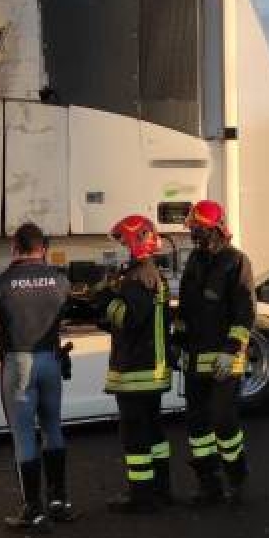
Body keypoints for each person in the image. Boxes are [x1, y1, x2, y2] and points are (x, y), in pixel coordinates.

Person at [0, 222, 74, 534]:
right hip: (52, 360)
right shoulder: (60, 281)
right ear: (41, 249)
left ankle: (33, 510)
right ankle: (59, 502)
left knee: (23, 434)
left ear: (15, 248)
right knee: (52, 427)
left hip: (18, 364)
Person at [177, 199, 256, 506]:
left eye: (198, 229)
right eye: (193, 229)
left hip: (225, 357)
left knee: (223, 420)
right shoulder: (196, 261)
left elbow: (245, 310)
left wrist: (232, 349)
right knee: (197, 424)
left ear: (216, 230)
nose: (194, 234)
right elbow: (185, 306)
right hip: (196, 356)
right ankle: (208, 483)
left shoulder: (237, 261)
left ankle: (237, 474)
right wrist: (178, 343)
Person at [98, 215, 173, 513]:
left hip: (136, 370)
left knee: (135, 435)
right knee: (153, 432)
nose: (116, 250)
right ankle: (161, 491)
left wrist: (104, 302)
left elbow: (130, 319)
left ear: (134, 242)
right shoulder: (148, 273)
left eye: (120, 242)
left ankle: (142, 497)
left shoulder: (137, 277)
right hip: (149, 368)